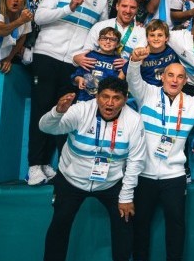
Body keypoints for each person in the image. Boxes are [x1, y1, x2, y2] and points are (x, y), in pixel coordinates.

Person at [39, 78, 145, 261]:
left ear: (125, 99)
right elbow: (46, 127)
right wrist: (57, 113)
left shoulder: (134, 120)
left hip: (111, 183)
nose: (109, 103)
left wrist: (126, 196)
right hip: (71, 179)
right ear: (97, 96)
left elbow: (136, 160)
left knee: (125, 223)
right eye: (105, 96)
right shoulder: (80, 110)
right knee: (59, 224)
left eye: (116, 98)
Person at [126, 55, 194, 261]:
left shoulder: (192, 104)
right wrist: (134, 61)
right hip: (144, 175)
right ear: (162, 77)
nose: (175, 80)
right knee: (140, 226)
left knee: (176, 228)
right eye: (171, 75)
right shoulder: (147, 93)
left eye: (180, 77)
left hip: (174, 177)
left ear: (185, 81)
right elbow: (132, 79)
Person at [28, 0, 108, 186]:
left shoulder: (100, 0)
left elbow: (97, 35)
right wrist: (68, 7)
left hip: (74, 63)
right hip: (47, 55)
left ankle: (48, 164)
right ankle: (34, 165)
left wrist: (81, 56)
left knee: (63, 113)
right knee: (41, 110)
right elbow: (40, 17)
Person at [70, 26, 124, 102]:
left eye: (112, 39)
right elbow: (75, 76)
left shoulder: (119, 62)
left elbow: (119, 83)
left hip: (105, 102)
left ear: (118, 44)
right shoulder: (89, 55)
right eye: (104, 38)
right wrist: (79, 79)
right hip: (83, 99)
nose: (108, 41)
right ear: (98, 41)